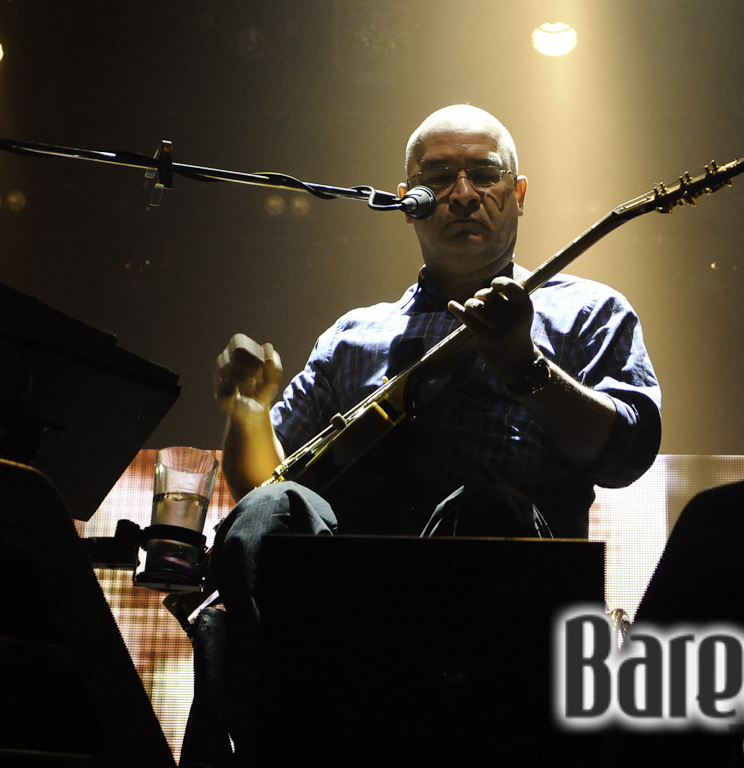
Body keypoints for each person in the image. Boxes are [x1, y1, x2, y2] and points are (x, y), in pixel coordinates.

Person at [206, 104, 661, 760]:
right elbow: (266, 488)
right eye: (439, 177)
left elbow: (625, 454)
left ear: (518, 193)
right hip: (350, 625)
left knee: (485, 507)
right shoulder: (354, 336)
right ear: (405, 200)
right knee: (270, 512)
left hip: (510, 638)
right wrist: (248, 413)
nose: (463, 194)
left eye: (485, 174)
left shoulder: (588, 312)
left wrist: (525, 366)